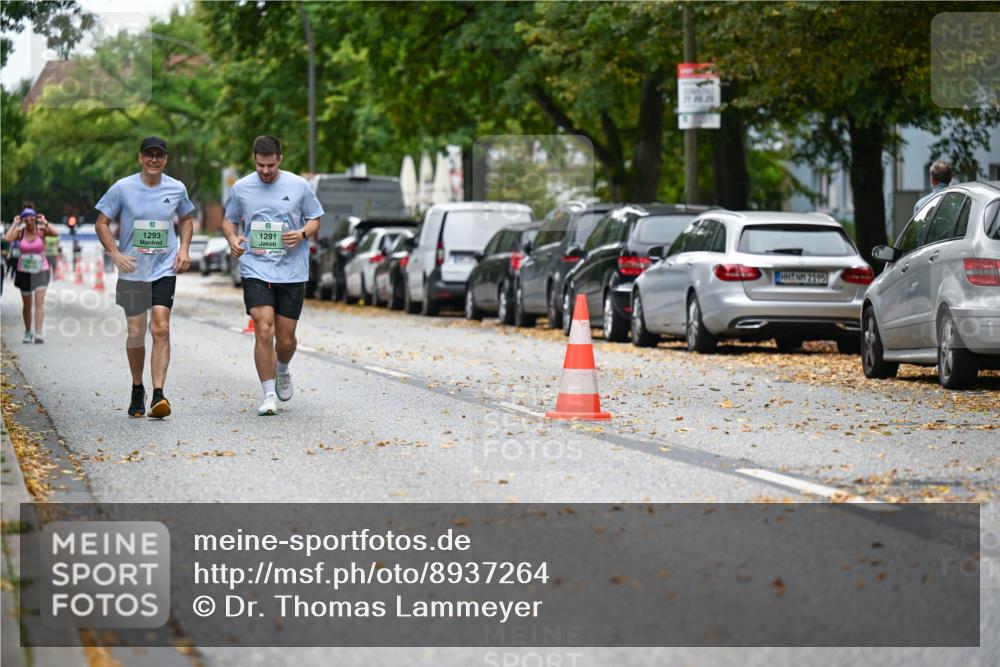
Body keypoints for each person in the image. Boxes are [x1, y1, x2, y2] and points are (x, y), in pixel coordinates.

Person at [222, 135, 323, 416]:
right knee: (262, 326)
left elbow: (315, 218)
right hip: (256, 267)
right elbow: (229, 219)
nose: (265, 171)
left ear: (280, 159)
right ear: (253, 159)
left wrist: (302, 233)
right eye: (259, 166)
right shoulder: (241, 188)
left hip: (291, 271)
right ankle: (268, 396)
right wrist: (232, 238)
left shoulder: (298, 185)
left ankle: (282, 369)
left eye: (270, 165)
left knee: (286, 339)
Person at [95, 136, 195, 419]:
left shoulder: (176, 188)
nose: (154, 160)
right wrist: (115, 253)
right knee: (136, 332)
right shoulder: (123, 188)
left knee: (161, 328)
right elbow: (101, 222)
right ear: (140, 158)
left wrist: (184, 248)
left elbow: (186, 218)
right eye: (149, 155)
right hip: (132, 271)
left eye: (159, 155)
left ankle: (159, 395)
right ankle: (137, 387)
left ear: (165, 159)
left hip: (163, 269)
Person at [4, 208, 58, 343]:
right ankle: (28, 332)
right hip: (24, 272)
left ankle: (38, 333)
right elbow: (7, 238)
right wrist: (14, 223)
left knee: (39, 303)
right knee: (27, 305)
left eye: (31, 218)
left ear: (35, 218)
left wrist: (45, 222)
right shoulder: (20, 232)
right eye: (26, 219)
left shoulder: (41, 230)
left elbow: (56, 233)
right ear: (23, 220)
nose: (29, 221)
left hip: (41, 270)